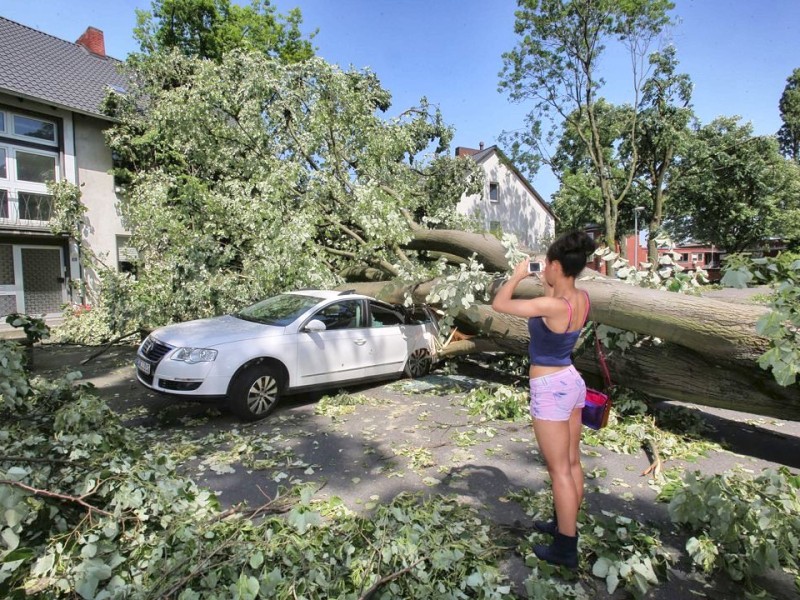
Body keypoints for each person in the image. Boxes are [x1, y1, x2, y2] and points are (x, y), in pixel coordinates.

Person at [491, 230, 596, 569]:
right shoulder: (580, 299)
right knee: (572, 462)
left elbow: (500, 304)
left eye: (547, 267)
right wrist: (546, 278)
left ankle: (566, 548)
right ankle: (564, 524)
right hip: (571, 380)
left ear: (554, 265)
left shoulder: (551, 305)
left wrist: (518, 275)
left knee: (559, 471)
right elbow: (555, 298)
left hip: (550, 389)